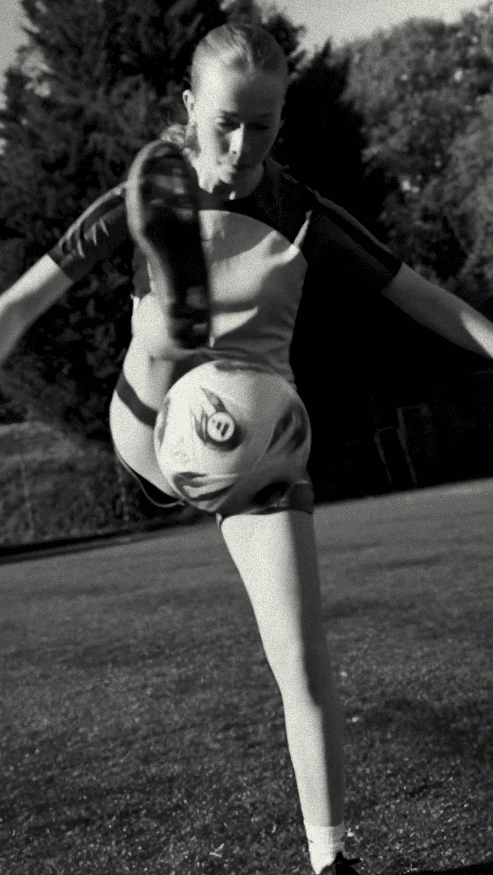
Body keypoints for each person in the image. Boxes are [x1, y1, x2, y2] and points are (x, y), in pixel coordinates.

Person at [1, 22, 493, 875]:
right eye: (224, 120)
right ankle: (173, 318)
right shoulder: (143, 189)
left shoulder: (300, 210)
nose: (240, 143)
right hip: (150, 423)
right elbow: (18, 305)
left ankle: (330, 858)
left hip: (260, 450)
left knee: (301, 659)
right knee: (163, 347)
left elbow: (421, 295)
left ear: (281, 121)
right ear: (189, 108)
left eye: (262, 125)